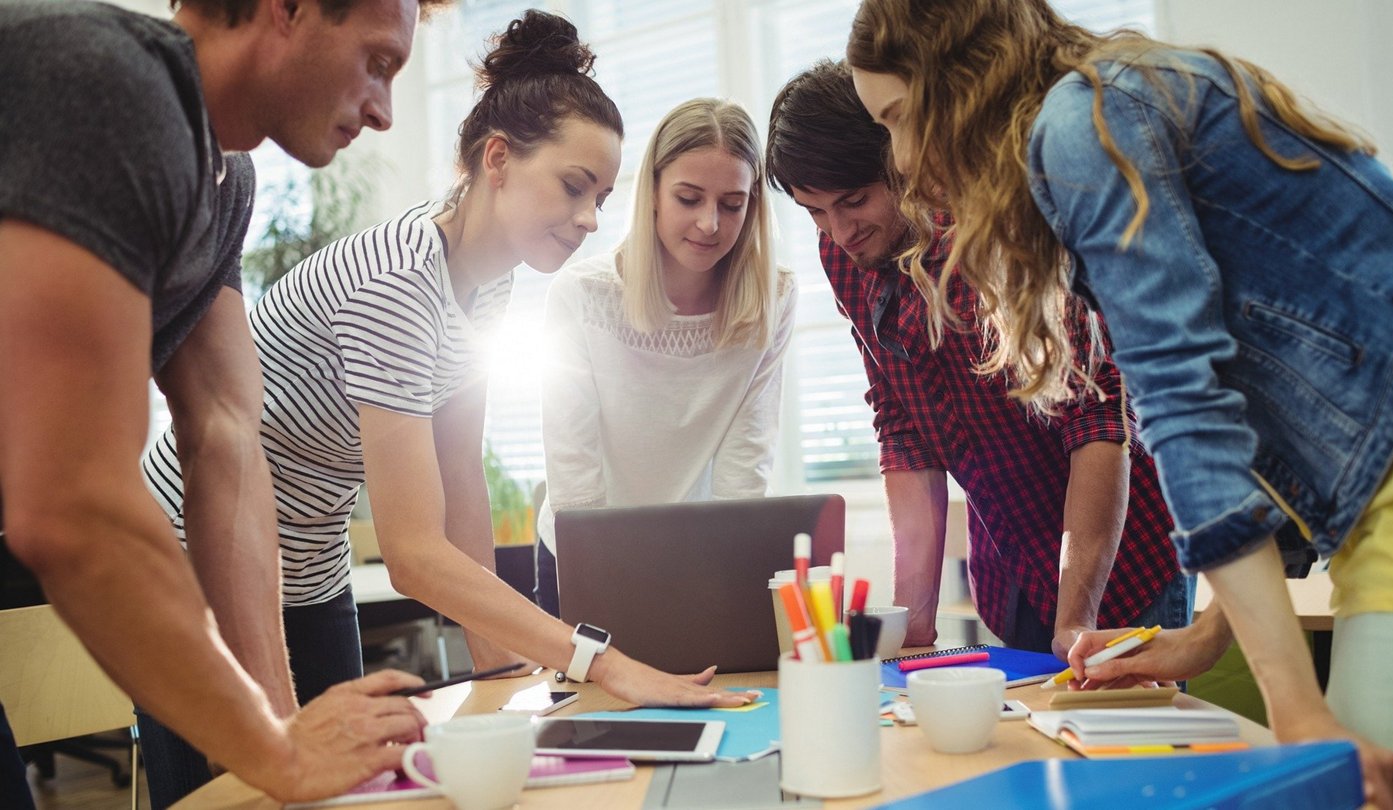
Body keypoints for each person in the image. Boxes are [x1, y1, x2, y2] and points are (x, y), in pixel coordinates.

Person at [139, 14, 756, 802]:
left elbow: (460, 477)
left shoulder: (487, 282)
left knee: (342, 791)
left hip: (310, 560)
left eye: (601, 195)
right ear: (497, 159)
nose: (592, 218)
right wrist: (599, 660)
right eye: (573, 186)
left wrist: (503, 676)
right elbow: (413, 552)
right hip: (200, 547)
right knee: (237, 799)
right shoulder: (398, 281)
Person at [846, 1, 1393, 807]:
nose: (904, 157)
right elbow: (1267, 415)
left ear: (960, 78)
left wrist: (1297, 713)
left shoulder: (1082, 126)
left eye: (901, 117)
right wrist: (1204, 639)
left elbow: (1189, 412)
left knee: (1354, 789)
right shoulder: (1114, 94)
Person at [0, 0, 445, 804]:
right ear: (286, 10)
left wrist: (281, 733)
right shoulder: (111, 84)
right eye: (377, 63)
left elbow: (228, 435)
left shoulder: (223, 181)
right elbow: (71, 503)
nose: (383, 111)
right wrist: (278, 753)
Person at [765, 59, 1184, 656]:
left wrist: (1077, 620)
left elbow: (1095, 421)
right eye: (814, 212)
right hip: (1011, 566)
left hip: (1118, 560)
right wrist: (912, 622)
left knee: (1126, 742)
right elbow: (904, 428)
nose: (837, 231)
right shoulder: (845, 252)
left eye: (853, 200)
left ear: (902, 160)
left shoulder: (998, 230)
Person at [535, 98, 797, 616]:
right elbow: (573, 471)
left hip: (700, 552)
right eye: (688, 197)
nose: (709, 224)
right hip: (583, 550)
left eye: (731, 204)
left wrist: (724, 580)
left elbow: (746, 467)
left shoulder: (773, 298)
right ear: (652, 193)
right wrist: (607, 583)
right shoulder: (582, 295)